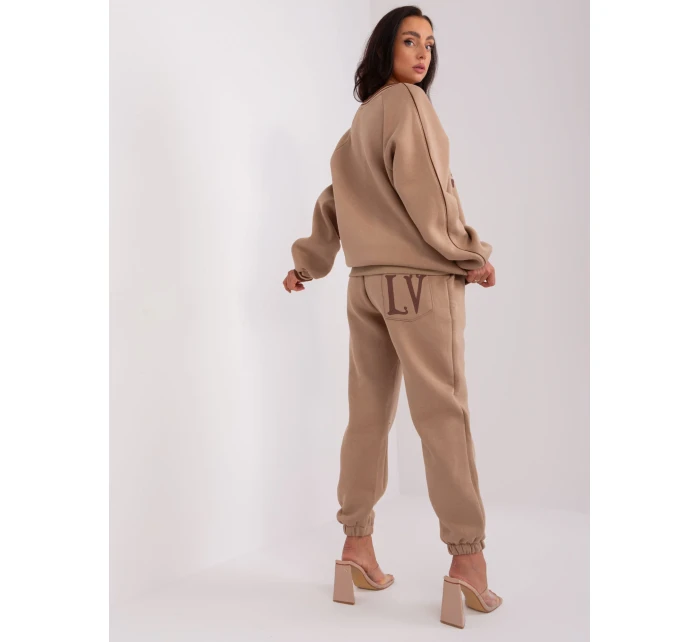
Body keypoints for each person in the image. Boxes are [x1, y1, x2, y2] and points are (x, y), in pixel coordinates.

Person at [282, 6, 502, 618]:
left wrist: (307, 265)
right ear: (386, 48)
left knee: (368, 417)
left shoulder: (359, 123)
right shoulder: (408, 105)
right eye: (410, 41)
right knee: (442, 415)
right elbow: (430, 190)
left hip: (367, 287)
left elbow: (334, 202)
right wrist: (470, 254)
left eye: (429, 43)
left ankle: (356, 546)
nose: (423, 52)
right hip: (421, 284)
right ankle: (467, 562)